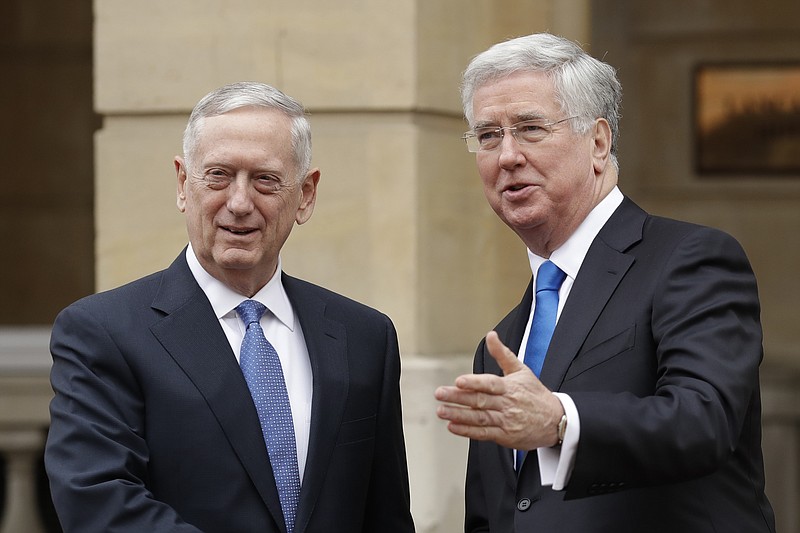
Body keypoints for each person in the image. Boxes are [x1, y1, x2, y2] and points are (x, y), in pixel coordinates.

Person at [434, 33, 776, 532]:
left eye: (530, 128)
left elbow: (704, 420)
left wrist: (559, 421)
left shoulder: (688, 259)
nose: (506, 155)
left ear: (598, 142)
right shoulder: (502, 343)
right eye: (488, 135)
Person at [45, 81, 416, 533]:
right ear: (184, 184)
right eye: (218, 176)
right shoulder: (104, 332)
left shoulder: (364, 336)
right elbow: (99, 503)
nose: (239, 203)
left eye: (265, 180)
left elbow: (386, 516)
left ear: (305, 195)